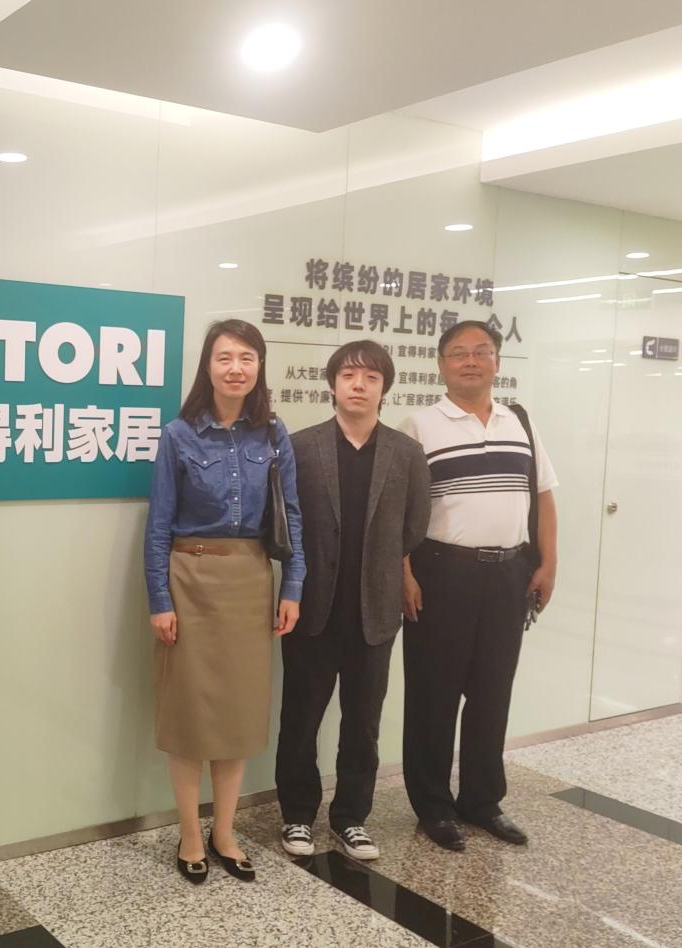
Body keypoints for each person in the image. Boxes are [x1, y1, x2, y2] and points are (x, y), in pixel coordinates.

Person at [144, 318, 305, 884]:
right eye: (224, 358)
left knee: (238, 716)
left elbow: (292, 517)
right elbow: (158, 525)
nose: (235, 368)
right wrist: (159, 598)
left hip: (250, 582)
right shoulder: (178, 434)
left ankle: (225, 832)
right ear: (207, 367)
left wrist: (293, 585)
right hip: (190, 580)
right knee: (189, 716)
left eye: (246, 358)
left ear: (259, 367)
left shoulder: (274, 435)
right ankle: (191, 833)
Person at [399, 320, 558, 852]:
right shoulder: (419, 425)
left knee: (493, 692)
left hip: (510, 573)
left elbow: (544, 495)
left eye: (481, 351)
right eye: (459, 352)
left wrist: (549, 563)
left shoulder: (520, 422)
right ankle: (433, 806)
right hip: (441, 571)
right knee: (434, 693)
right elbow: (399, 510)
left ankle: (482, 801)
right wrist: (404, 573)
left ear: (497, 361)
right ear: (441, 364)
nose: (471, 361)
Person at [274, 340, 430, 862]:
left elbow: (415, 526)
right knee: (301, 718)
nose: (358, 385)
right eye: (348, 375)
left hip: (375, 612)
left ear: (385, 388)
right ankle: (297, 814)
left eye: (370, 377)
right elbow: (284, 522)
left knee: (362, 724)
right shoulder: (301, 446)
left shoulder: (406, 453)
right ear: (333, 384)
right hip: (311, 610)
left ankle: (351, 818)